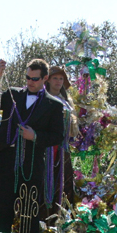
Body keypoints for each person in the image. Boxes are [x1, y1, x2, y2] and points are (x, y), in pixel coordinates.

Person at [0, 58, 65, 233]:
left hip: (32, 163)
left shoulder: (54, 105)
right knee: (2, 209)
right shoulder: (13, 94)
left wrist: (35, 136)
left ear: (45, 79)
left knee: (29, 210)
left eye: (34, 79)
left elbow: (58, 136)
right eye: (27, 78)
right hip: (6, 160)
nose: (30, 82)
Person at [43, 66, 77, 212]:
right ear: (48, 80)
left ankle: (61, 218)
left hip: (63, 149)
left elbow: (73, 130)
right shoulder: (42, 99)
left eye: (61, 79)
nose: (58, 81)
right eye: (55, 78)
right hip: (46, 148)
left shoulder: (67, 103)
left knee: (64, 183)